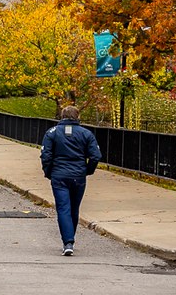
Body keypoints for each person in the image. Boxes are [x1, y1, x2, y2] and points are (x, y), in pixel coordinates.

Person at [40, 105, 102, 257]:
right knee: (74, 208)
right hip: (78, 176)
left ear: (62, 116)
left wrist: (48, 172)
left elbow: (46, 155)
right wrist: (88, 170)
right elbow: (95, 156)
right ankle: (70, 239)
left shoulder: (52, 133)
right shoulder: (86, 134)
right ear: (77, 116)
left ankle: (68, 242)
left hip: (59, 175)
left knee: (63, 208)